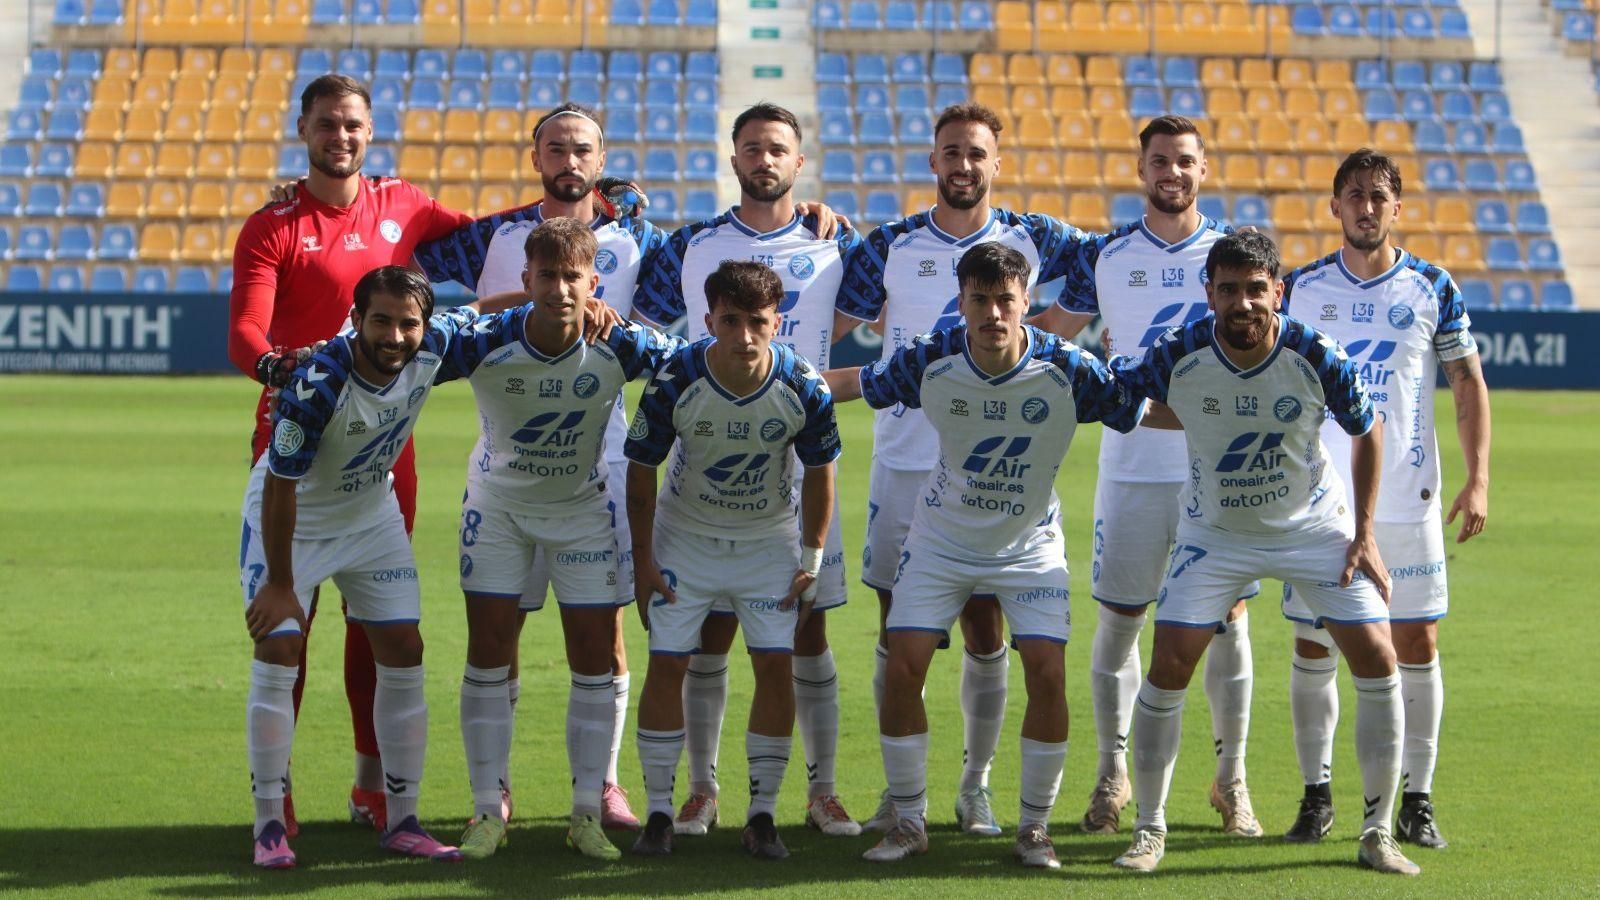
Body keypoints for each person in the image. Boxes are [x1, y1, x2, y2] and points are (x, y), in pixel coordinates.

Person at [824, 242, 1146, 868]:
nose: (994, 313)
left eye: (1006, 300)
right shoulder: (932, 357)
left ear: (1027, 303)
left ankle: (1033, 828)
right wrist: (768, 379)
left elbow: (1138, 409)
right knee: (903, 664)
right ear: (961, 304)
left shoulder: (1067, 367)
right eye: (980, 301)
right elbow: (859, 383)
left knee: (1048, 673)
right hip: (941, 538)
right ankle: (910, 820)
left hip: (1029, 546)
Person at [1109, 231, 1420, 876]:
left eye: (1256, 289)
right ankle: (1148, 829)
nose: (1243, 303)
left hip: (1313, 528)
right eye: (1229, 290)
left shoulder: (1315, 353)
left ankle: (1377, 831)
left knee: (1378, 655)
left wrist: (1364, 534)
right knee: (1168, 663)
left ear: (1279, 290)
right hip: (1215, 534)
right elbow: (1123, 400)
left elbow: (1367, 428)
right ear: (1209, 295)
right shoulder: (1179, 352)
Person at [835, 101, 1094, 835]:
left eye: (976, 153)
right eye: (951, 152)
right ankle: (900, 789)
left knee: (987, 629)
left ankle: (974, 786)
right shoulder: (888, 243)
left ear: (995, 163)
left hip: (995, 474)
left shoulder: (1033, 237)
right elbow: (841, 323)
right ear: (933, 161)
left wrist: (1050, 334)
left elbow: (1106, 266)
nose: (963, 165)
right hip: (906, 459)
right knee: (899, 630)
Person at [228, 74, 476, 835]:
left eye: (354, 125)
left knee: (382, 628)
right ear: (303, 129)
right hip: (296, 448)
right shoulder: (272, 224)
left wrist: (582, 202)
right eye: (328, 124)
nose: (342, 136)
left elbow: (495, 237)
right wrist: (277, 366)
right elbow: (244, 331)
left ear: (371, 132)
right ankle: (281, 794)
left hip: (382, 462)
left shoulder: (406, 205)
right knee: (288, 627)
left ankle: (375, 786)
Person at [414, 101, 666, 830]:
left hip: (605, 459)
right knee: (500, 629)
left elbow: (689, 311)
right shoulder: (490, 235)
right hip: (510, 451)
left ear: (599, 155)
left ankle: (606, 785)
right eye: (555, 146)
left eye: (581, 146)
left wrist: (813, 216)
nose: (568, 158)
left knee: (603, 634)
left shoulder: (641, 236)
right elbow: (404, 263)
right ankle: (493, 791)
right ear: (536, 157)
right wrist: (528, 307)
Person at [631, 102, 863, 838]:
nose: (765, 158)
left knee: (808, 637)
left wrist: (824, 388)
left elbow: (896, 305)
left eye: (779, 149)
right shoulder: (692, 244)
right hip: (706, 462)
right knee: (706, 640)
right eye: (752, 147)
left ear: (799, 162)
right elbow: (636, 316)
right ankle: (699, 791)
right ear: (733, 159)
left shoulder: (841, 243)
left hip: (795, 469)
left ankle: (821, 790)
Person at [1032, 115, 1261, 837]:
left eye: (1185, 160)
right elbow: (1046, 337)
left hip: (1218, 473)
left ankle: (1232, 781)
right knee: (1121, 622)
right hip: (1132, 468)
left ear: (1203, 169)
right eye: (1160, 159)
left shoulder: (1232, 257)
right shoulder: (1104, 256)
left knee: (1226, 624)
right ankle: (1113, 773)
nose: (1173, 171)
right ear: (1141, 170)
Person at [440, 217, 684, 861]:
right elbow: (402, 341)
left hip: (581, 512)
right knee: (489, 654)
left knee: (595, 660)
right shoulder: (485, 339)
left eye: (572, 277)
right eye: (546, 276)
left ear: (593, 282)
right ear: (526, 280)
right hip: (497, 511)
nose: (559, 289)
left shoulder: (621, 344)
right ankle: (487, 810)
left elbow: (694, 370)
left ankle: (584, 814)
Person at [1278, 148, 1491, 849]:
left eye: (1379, 195)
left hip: (1408, 499)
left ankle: (1417, 800)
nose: (1367, 207)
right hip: (1320, 505)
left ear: (1398, 207)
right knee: (1315, 646)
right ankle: (1317, 795)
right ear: (1334, 207)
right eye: (1354, 195)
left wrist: (1478, 475)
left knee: (1417, 642)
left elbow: (1465, 383)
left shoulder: (1432, 285)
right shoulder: (1300, 288)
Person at [241, 266, 486, 868]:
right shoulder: (319, 380)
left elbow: (498, 314)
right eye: (381, 321)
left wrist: (581, 306)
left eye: (408, 323)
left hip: (370, 514)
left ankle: (403, 819)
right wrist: (278, 582)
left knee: (404, 646)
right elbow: (280, 483)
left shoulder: (435, 346)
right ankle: (269, 823)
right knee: (279, 647)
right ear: (356, 320)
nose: (395, 336)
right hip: (293, 519)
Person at [625, 261, 841, 860]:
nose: (744, 336)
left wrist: (812, 557)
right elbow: (642, 472)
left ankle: (763, 814)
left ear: (777, 322)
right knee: (668, 664)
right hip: (685, 536)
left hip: (766, 540)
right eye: (730, 321)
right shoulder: (675, 379)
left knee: (776, 664)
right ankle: (661, 812)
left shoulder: (805, 385)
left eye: (757, 322)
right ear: (709, 319)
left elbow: (821, 475)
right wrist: (643, 561)